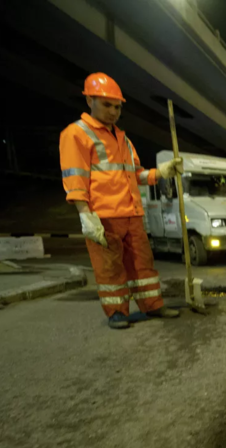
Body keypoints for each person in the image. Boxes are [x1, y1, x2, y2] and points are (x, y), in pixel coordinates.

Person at [60, 73, 184, 329]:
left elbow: (135, 173)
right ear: (89, 101)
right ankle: (117, 312)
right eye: (107, 105)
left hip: (132, 213)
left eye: (117, 107)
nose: (113, 112)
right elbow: (75, 178)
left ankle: (153, 306)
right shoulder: (76, 134)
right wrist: (85, 214)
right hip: (104, 216)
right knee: (110, 268)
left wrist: (160, 173)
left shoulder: (122, 138)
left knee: (142, 265)